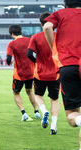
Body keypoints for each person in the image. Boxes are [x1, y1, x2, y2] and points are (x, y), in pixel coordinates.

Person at [43, 0, 81, 148]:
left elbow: (47, 26)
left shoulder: (61, 13)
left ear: (66, 5)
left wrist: (54, 48)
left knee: (73, 115)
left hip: (68, 65)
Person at [27, 11, 60, 134]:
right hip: (55, 74)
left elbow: (29, 54)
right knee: (54, 100)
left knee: (38, 95)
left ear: (41, 24)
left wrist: (37, 62)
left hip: (40, 73)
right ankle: (53, 125)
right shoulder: (58, 36)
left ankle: (43, 110)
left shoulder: (35, 37)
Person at [6, 24, 40, 121]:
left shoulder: (12, 44)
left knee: (16, 92)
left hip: (19, 75)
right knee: (29, 91)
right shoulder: (30, 40)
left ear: (12, 34)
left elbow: (8, 59)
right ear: (21, 32)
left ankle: (24, 113)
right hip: (31, 72)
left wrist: (10, 62)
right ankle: (36, 111)